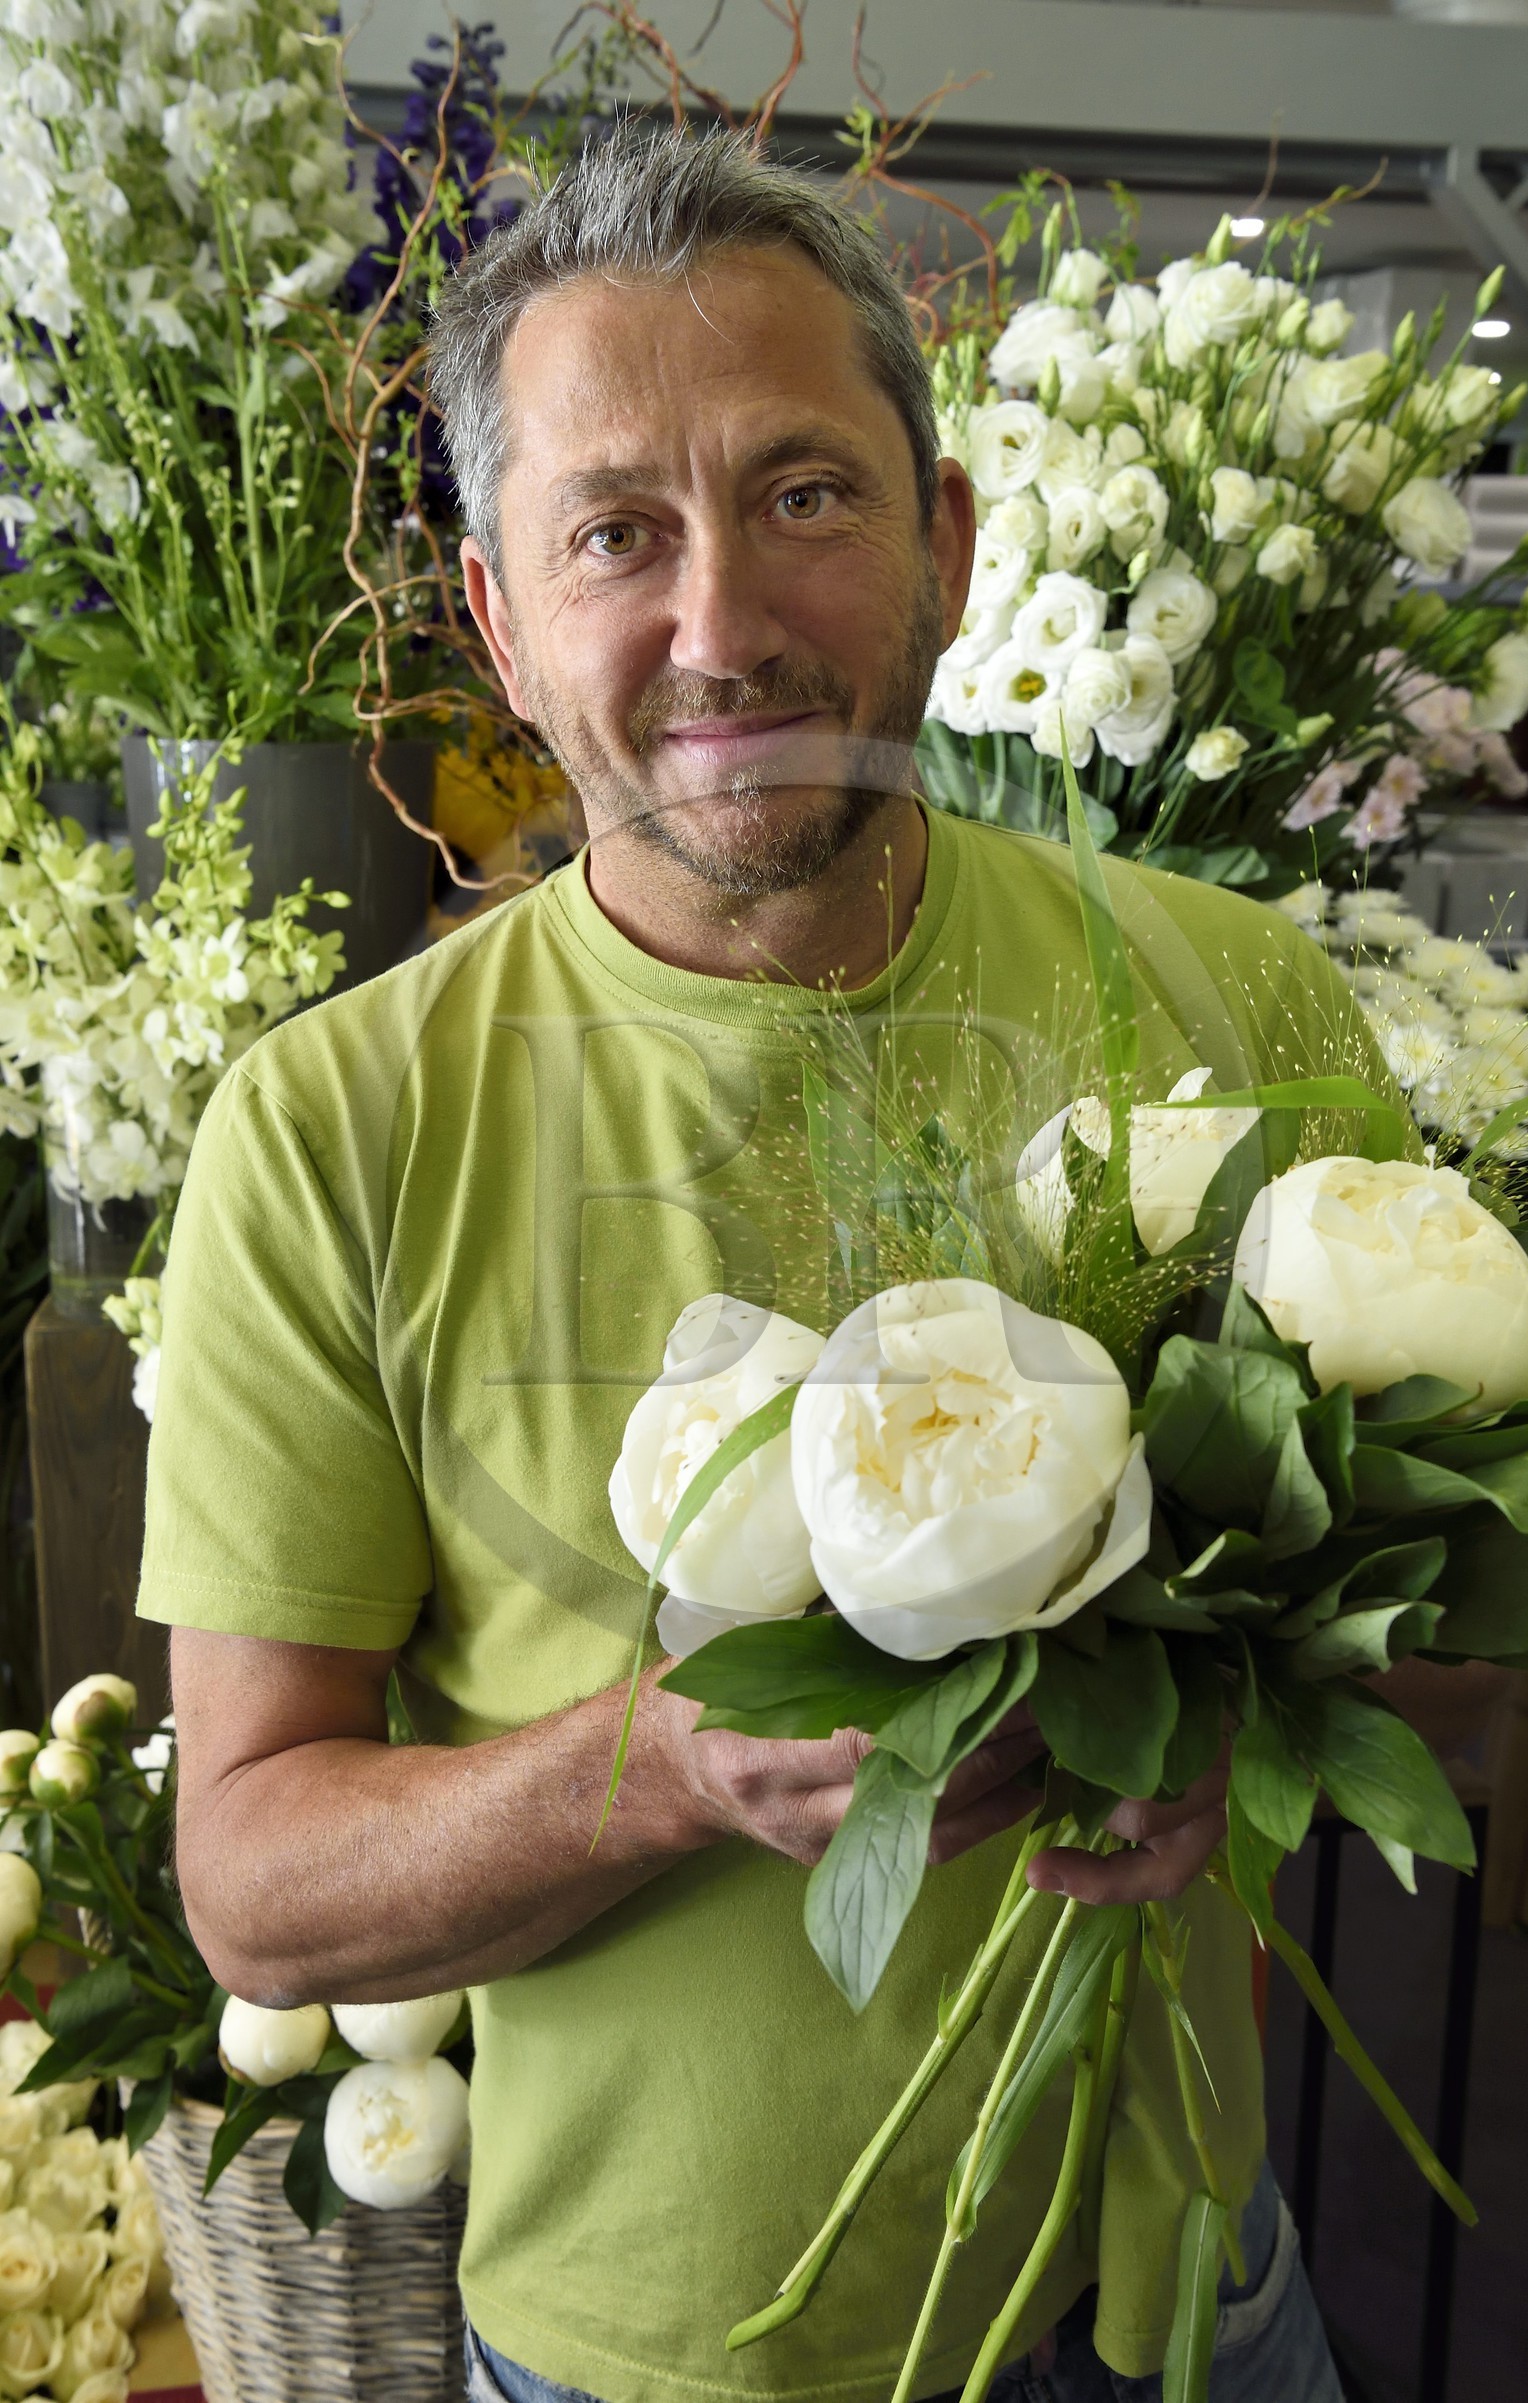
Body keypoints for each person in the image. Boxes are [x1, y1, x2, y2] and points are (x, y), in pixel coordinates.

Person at [142, 130, 1385, 2403]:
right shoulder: (334, 1132)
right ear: (501, 624)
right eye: (617, 530)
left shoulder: (1241, 1007)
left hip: (1198, 2302)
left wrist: (1267, 1730)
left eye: (806, 493)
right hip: (651, 2351)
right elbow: (253, 1876)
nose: (719, 623)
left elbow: (1436, 1635)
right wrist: (681, 1762)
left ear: (950, 542)